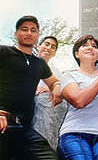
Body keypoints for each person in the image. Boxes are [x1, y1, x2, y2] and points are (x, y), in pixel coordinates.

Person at [0, 15, 62, 160]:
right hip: (2, 121)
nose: (29, 33)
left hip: (25, 129)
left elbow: (54, 81)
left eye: (33, 30)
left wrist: (57, 87)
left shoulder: (39, 63)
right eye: (24, 29)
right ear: (16, 34)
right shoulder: (4, 52)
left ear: (37, 35)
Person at [57, 35, 98, 160]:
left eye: (94, 46)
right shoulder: (69, 75)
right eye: (84, 45)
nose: (90, 48)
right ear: (76, 54)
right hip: (75, 134)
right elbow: (79, 101)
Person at [32, 36, 67, 151]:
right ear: (38, 46)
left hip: (50, 112)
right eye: (46, 44)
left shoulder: (55, 71)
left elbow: (61, 91)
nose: (48, 48)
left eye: (53, 47)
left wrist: (51, 89)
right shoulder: (27, 64)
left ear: (55, 53)